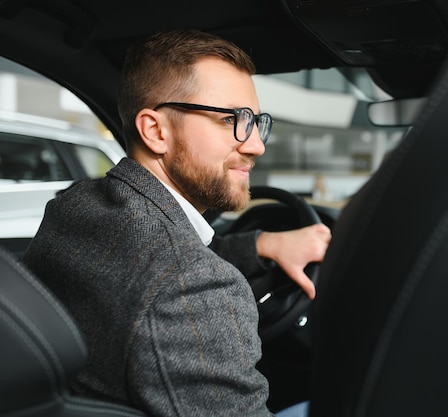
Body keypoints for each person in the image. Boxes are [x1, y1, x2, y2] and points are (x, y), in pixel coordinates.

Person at [23, 29, 330, 416]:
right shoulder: (195, 287)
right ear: (155, 131)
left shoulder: (78, 206)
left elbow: (167, 254)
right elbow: (183, 273)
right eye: (232, 119)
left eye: (255, 121)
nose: (256, 145)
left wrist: (260, 245)